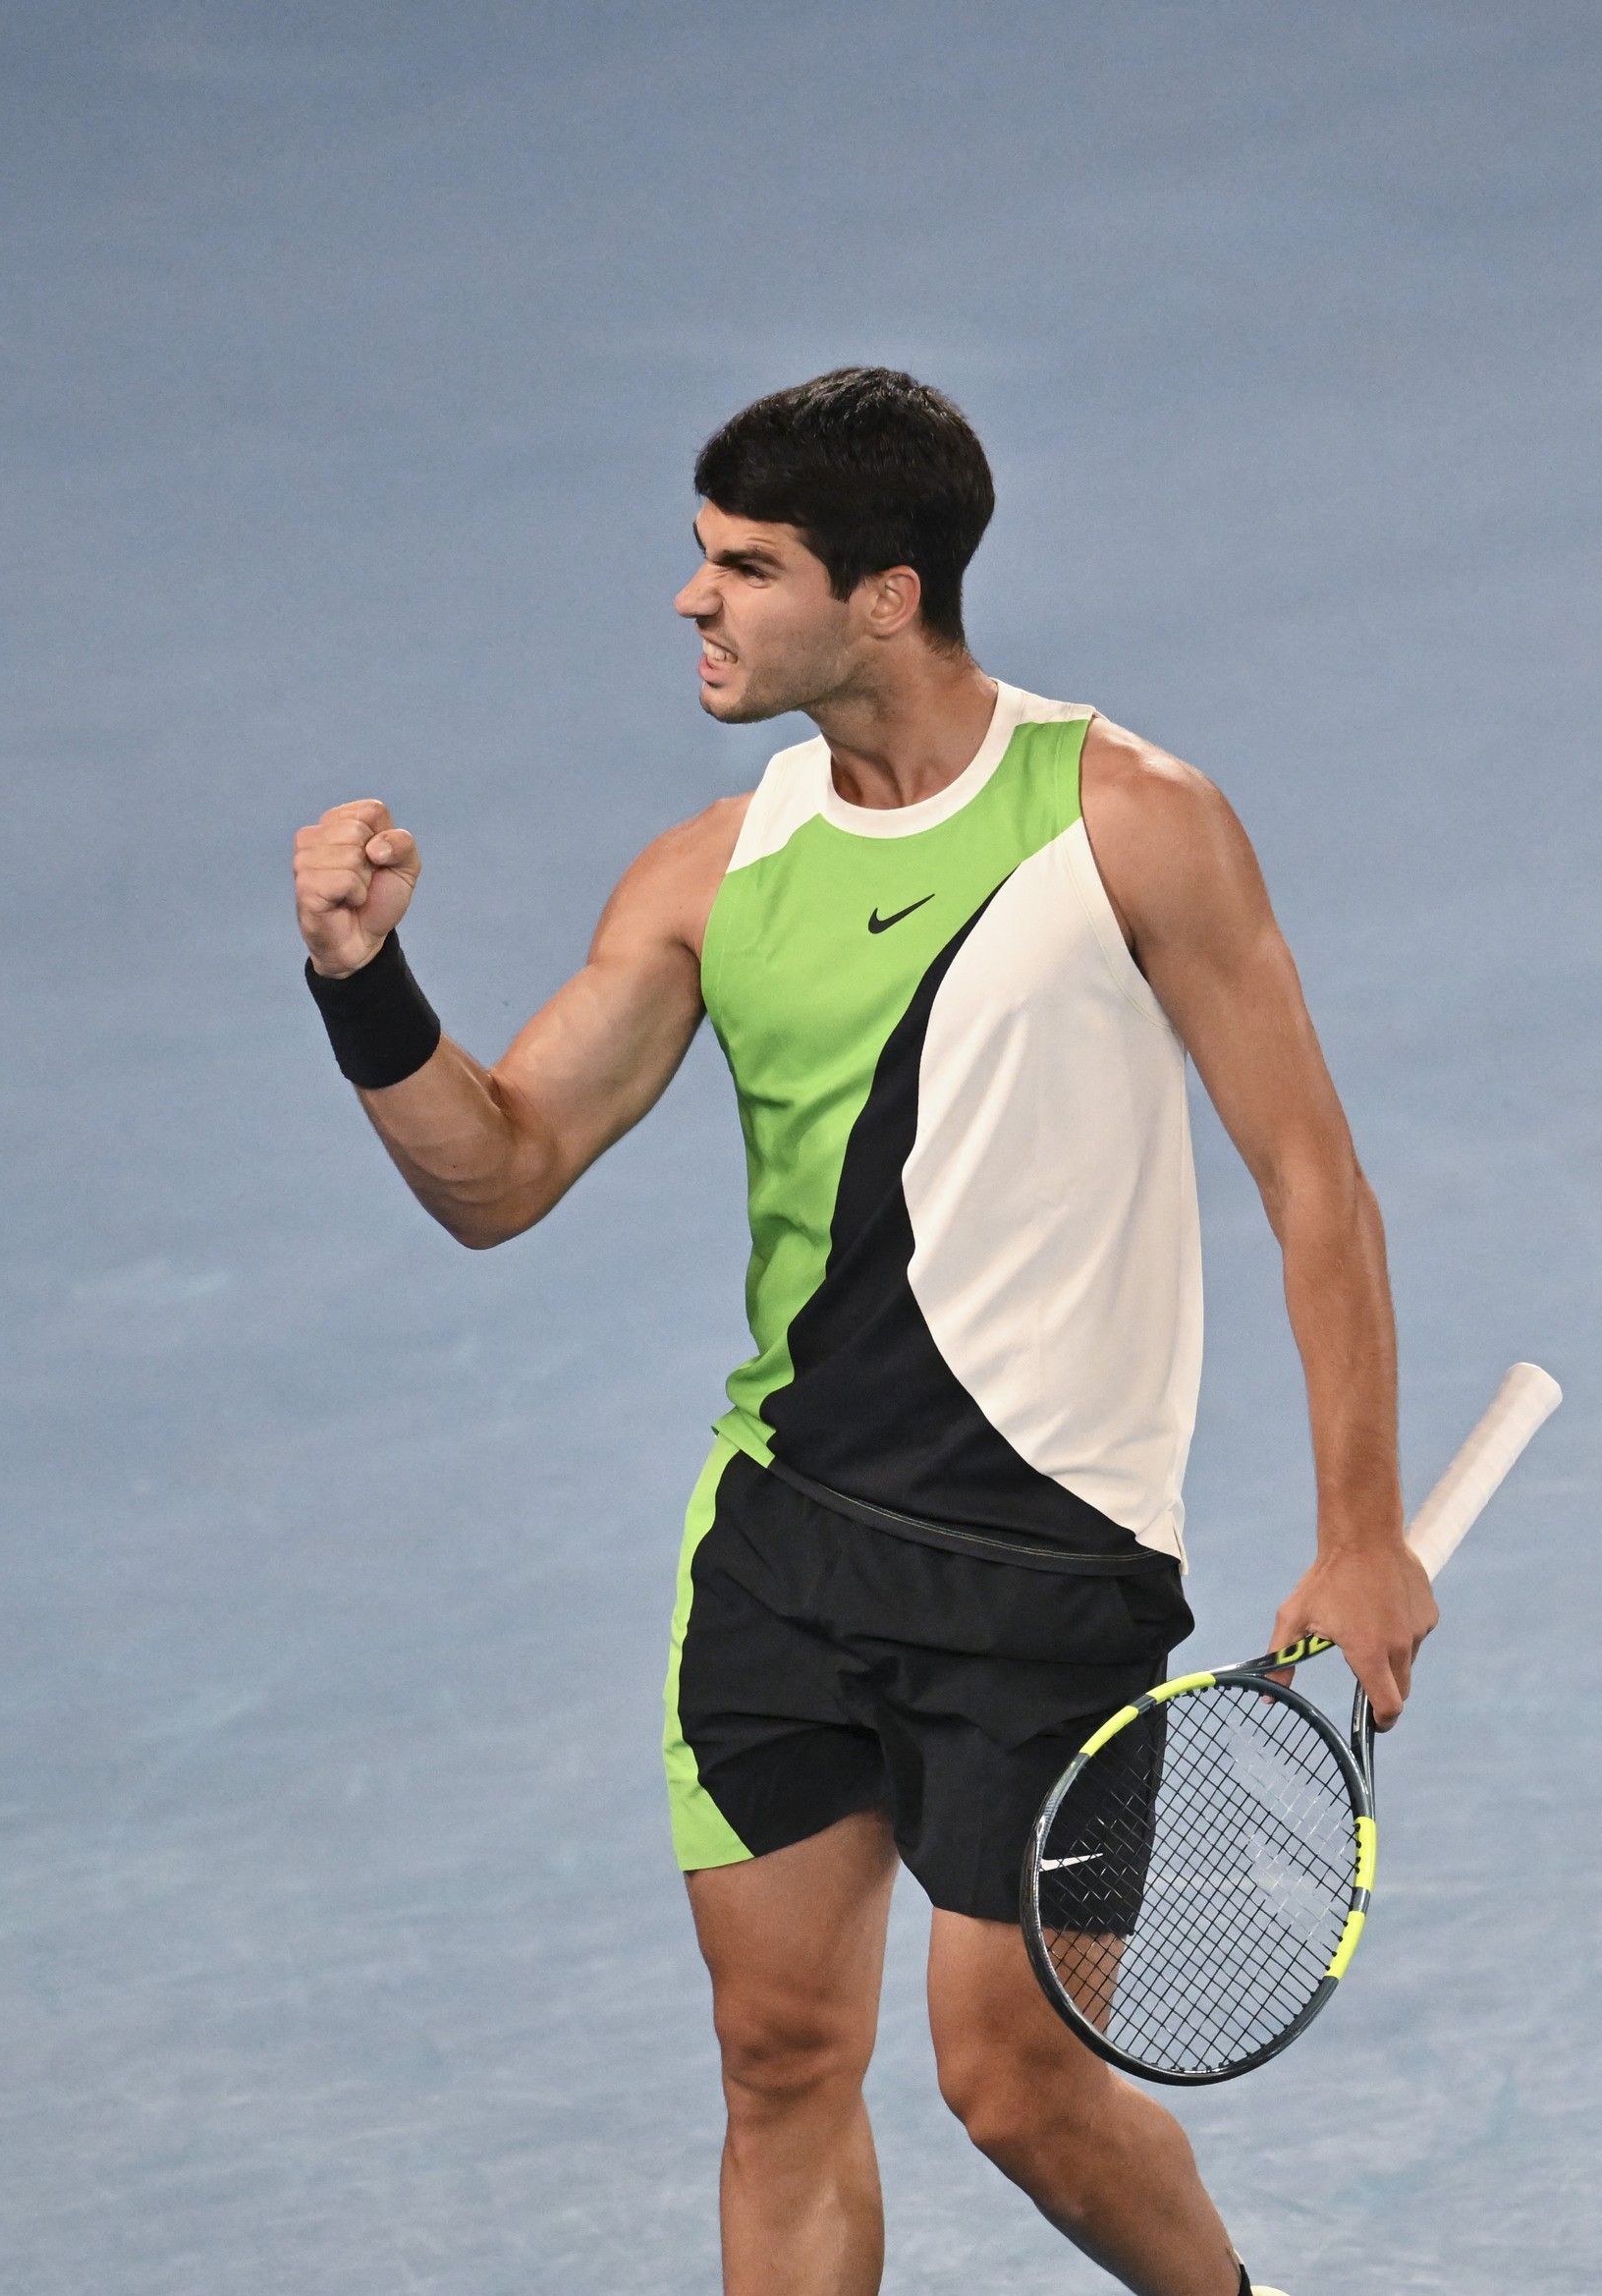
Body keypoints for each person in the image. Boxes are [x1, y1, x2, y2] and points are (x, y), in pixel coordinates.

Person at [293, 367, 1430, 2296]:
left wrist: (1357, 1523)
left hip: (1047, 1568)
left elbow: (1309, 1174)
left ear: (881, 595)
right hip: (787, 1545)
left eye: (743, 565)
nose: (691, 600)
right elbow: (499, 1171)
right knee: (780, 2059)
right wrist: (361, 986)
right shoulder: (706, 875)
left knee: (1016, 2087)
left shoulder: (1128, 823)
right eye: (696, 557)